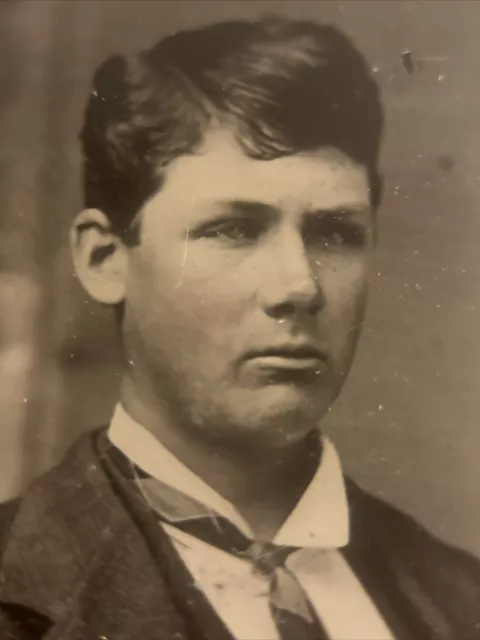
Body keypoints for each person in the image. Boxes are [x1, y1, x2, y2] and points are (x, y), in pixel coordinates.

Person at [0, 15, 479, 640]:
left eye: (336, 232)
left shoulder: (459, 598)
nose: (299, 286)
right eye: (233, 229)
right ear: (105, 259)